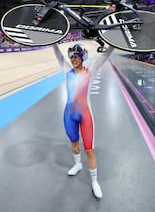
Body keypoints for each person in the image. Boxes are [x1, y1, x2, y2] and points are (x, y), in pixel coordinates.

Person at [52, 43, 114, 199]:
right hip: (69, 115)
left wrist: (113, 43)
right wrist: (53, 41)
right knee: (74, 142)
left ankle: (94, 182)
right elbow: (59, 56)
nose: (73, 59)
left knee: (89, 149)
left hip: (85, 114)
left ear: (82, 57)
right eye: (71, 56)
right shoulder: (67, 70)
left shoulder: (90, 71)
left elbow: (104, 56)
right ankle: (78, 164)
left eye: (76, 56)